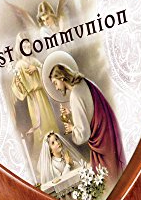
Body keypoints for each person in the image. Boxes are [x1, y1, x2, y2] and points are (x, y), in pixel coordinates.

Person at [48, 64, 126, 192]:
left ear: (61, 78)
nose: (56, 88)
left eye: (55, 83)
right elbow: (89, 110)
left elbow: (83, 135)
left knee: (110, 184)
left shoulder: (74, 95)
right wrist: (71, 113)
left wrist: (72, 129)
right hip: (109, 132)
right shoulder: (84, 83)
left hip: (102, 143)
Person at [11, 33, 59, 157]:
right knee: (40, 124)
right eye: (24, 46)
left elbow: (46, 72)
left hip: (42, 95)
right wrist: (18, 84)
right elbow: (17, 88)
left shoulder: (34, 61)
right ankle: (46, 152)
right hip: (32, 99)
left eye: (28, 45)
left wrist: (36, 69)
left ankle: (57, 147)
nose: (27, 47)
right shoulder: (19, 65)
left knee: (49, 120)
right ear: (20, 48)